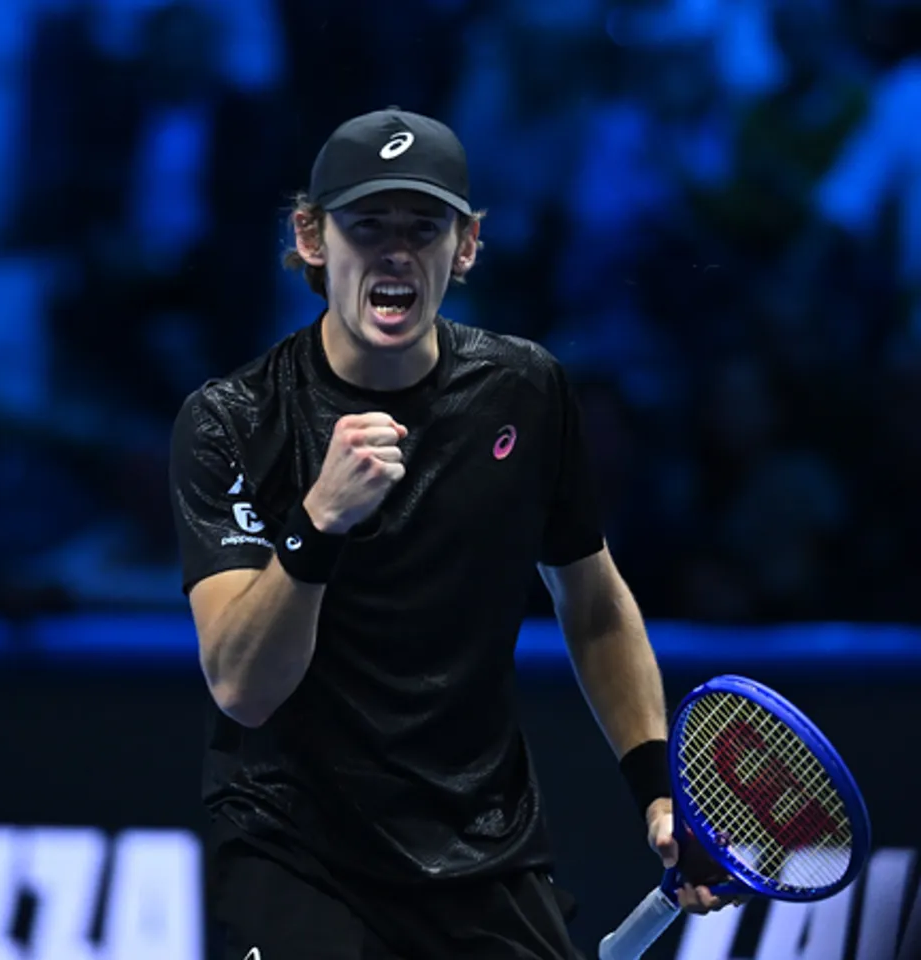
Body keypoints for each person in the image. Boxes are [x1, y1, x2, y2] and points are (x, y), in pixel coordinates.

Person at [169, 108, 731, 960]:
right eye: (367, 225)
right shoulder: (230, 421)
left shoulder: (525, 392)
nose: (396, 251)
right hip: (298, 850)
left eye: (424, 227)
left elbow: (593, 602)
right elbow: (243, 686)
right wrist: (320, 522)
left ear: (465, 247)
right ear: (312, 238)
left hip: (481, 847)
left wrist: (656, 791)